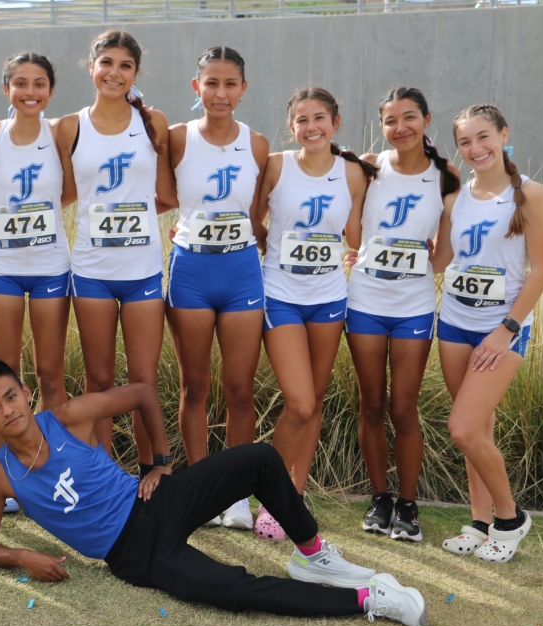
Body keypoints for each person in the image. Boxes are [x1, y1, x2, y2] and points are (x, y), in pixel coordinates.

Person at [0, 359, 427, 626]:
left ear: (26, 394)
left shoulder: (66, 418)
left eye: (10, 396)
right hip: (133, 555)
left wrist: (160, 464)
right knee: (231, 589)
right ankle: (369, 599)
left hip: (153, 500)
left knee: (260, 458)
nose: (7, 410)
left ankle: (310, 553)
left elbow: (145, 394)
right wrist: (24, 556)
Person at [255, 88, 375, 541]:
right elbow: (250, 218)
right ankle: (267, 490)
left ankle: (294, 494)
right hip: (281, 295)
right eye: (302, 120)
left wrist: (366, 251)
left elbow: (356, 235)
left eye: (319, 117)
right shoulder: (277, 166)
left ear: (336, 121)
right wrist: (271, 242)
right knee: (300, 402)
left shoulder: (353, 174)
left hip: (329, 299)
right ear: (292, 127)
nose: (311, 127)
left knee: (315, 403)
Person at [55, 30, 177, 471]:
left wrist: (140, 215)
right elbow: (57, 191)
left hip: (143, 269)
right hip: (91, 270)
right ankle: (103, 470)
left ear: (135, 74)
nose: (115, 73)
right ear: (91, 68)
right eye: (106, 63)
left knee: (144, 381)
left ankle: (153, 470)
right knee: (100, 380)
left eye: (125, 65)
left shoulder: (154, 121)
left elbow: (168, 192)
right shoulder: (69, 126)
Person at [436, 104, 543, 562]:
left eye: (484, 137)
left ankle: (510, 519)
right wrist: (362, 254)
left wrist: (506, 329)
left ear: (503, 134)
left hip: (502, 329)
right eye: (465, 141)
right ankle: (480, 524)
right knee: (477, 429)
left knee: (462, 429)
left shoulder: (531, 194)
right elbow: (442, 261)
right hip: (453, 324)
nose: (475, 148)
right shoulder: (456, 198)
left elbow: (541, 271)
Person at [346, 87, 460, 541]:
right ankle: (380, 499)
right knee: (371, 404)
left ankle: (408, 507)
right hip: (366, 301)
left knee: (403, 407)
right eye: (391, 120)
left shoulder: (445, 174)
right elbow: (351, 226)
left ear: (427, 120)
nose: (401, 128)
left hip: (412, 303)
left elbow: (446, 250)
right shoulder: (369, 168)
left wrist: (421, 266)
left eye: (409, 118)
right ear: (382, 126)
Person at [165, 46, 269, 529]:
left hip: (242, 272)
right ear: (196, 87)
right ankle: (202, 485)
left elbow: (258, 213)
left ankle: (236, 494)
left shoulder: (259, 144)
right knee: (195, 387)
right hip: (191, 272)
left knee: (240, 389)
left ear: (244, 88)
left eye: (230, 84)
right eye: (212, 83)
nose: (221, 93)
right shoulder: (175, 139)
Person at [0, 52, 73, 440]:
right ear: (6, 88)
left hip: (50, 265)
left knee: (50, 373)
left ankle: (55, 463)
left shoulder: (60, 132)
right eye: (20, 83)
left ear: (50, 90)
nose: (29, 92)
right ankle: (8, 473)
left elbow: (71, 189)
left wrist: (38, 213)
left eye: (39, 84)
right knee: (4, 376)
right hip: (1, 266)